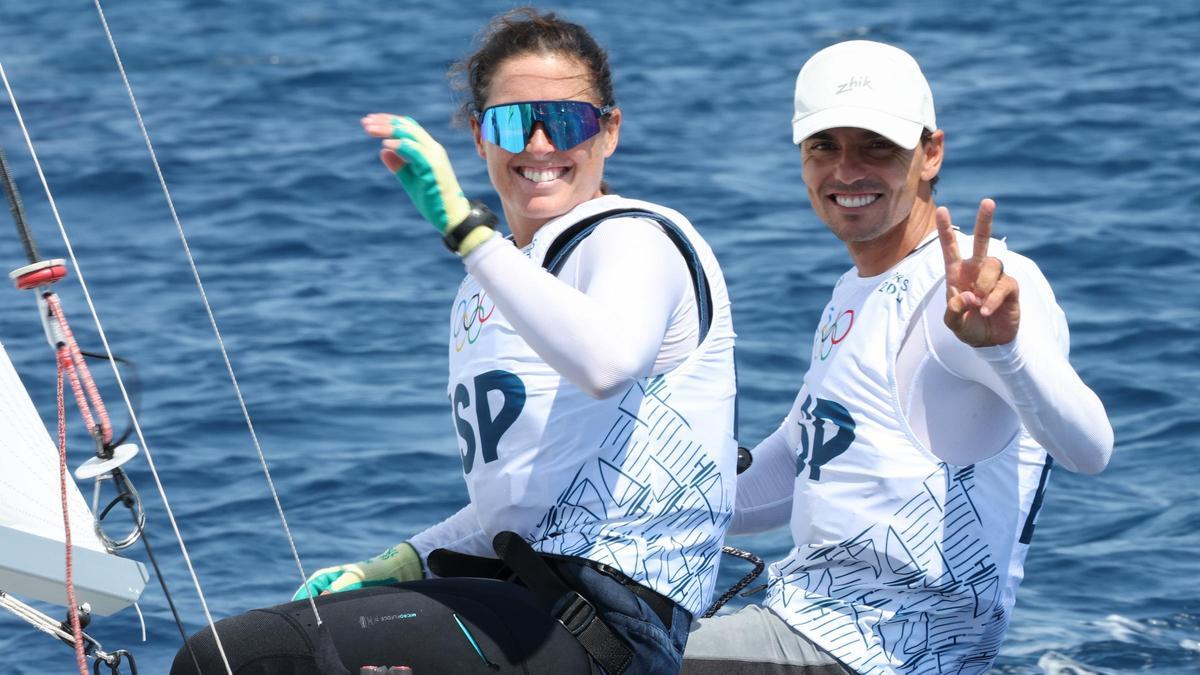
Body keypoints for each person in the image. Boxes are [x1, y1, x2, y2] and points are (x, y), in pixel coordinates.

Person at [173, 8, 737, 675]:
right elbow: (521, 500)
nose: (536, 143)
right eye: (507, 121)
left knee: (237, 661)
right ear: (478, 136)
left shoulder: (632, 238)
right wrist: (400, 560)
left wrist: (466, 232)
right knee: (264, 639)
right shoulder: (490, 282)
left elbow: (608, 363)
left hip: (609, 625)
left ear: (608, 131)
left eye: (565, 120)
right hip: (520, 596)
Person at [681, 40, 1114, 675]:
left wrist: (1009, 351)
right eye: (824, 146)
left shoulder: (973, 286)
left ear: (930, 153)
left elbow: (1091, 449)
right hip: (803, 625)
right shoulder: (856, 290)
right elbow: (790, 470)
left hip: (872, 657)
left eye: (877, 147)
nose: (847, 171)